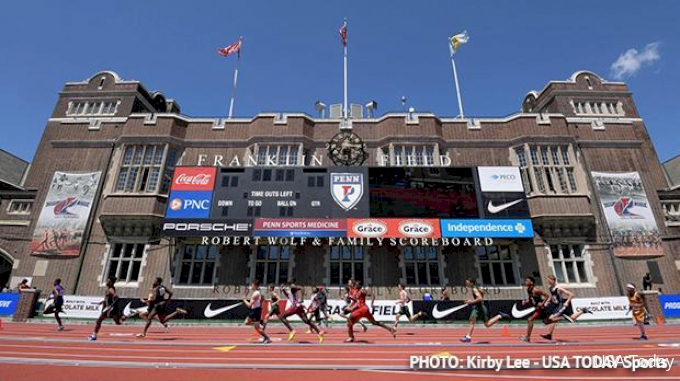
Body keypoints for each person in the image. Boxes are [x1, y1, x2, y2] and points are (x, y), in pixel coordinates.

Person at [539, 275, 593, 340]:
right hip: (556, 305)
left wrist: (567, 302)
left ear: (553, 280)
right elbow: (552, 296)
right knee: (572, 318)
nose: (548, 281)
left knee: (550, 319)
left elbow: (571, 294)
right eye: (547, 280)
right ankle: (583, 310)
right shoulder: (550, 287)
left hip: (561, 305)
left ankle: (563, 317)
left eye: (549, 280)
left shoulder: (558, 288)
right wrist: (547, 301)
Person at [460, 278, 510, 343]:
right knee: (487, 324)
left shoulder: (474, 289)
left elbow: (480, 298)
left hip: (479, 308)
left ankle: (468, 337)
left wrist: (471, 302)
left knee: (472, 321)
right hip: (479, 307)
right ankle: (500, 316)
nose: (466, 283)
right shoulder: (476, 288)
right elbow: (483, 293)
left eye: (467, 282)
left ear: (471, 283)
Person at [279, 279, 325, 343]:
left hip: (295, 306)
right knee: (306, 321)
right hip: (299, 307)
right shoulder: (290, 288)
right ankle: (319, 332)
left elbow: (302, 288)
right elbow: (289, 296)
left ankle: (292, 331)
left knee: (281, 316)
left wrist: (302, 298)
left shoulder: (292, 286)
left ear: (292, 281)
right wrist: (283, 290)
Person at [520, 276, 550, 342]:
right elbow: (531, 298)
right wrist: (526, 301)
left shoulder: (536, 289)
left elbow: (547, 295)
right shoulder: (528, 289)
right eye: (526, 281)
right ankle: (560, 318)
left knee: (530, 320)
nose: (526, 282)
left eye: (527, 281)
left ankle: (527, 337)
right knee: (546, 322)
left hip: (540, 309)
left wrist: (542, 303)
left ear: (532, 282)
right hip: (537, 308)